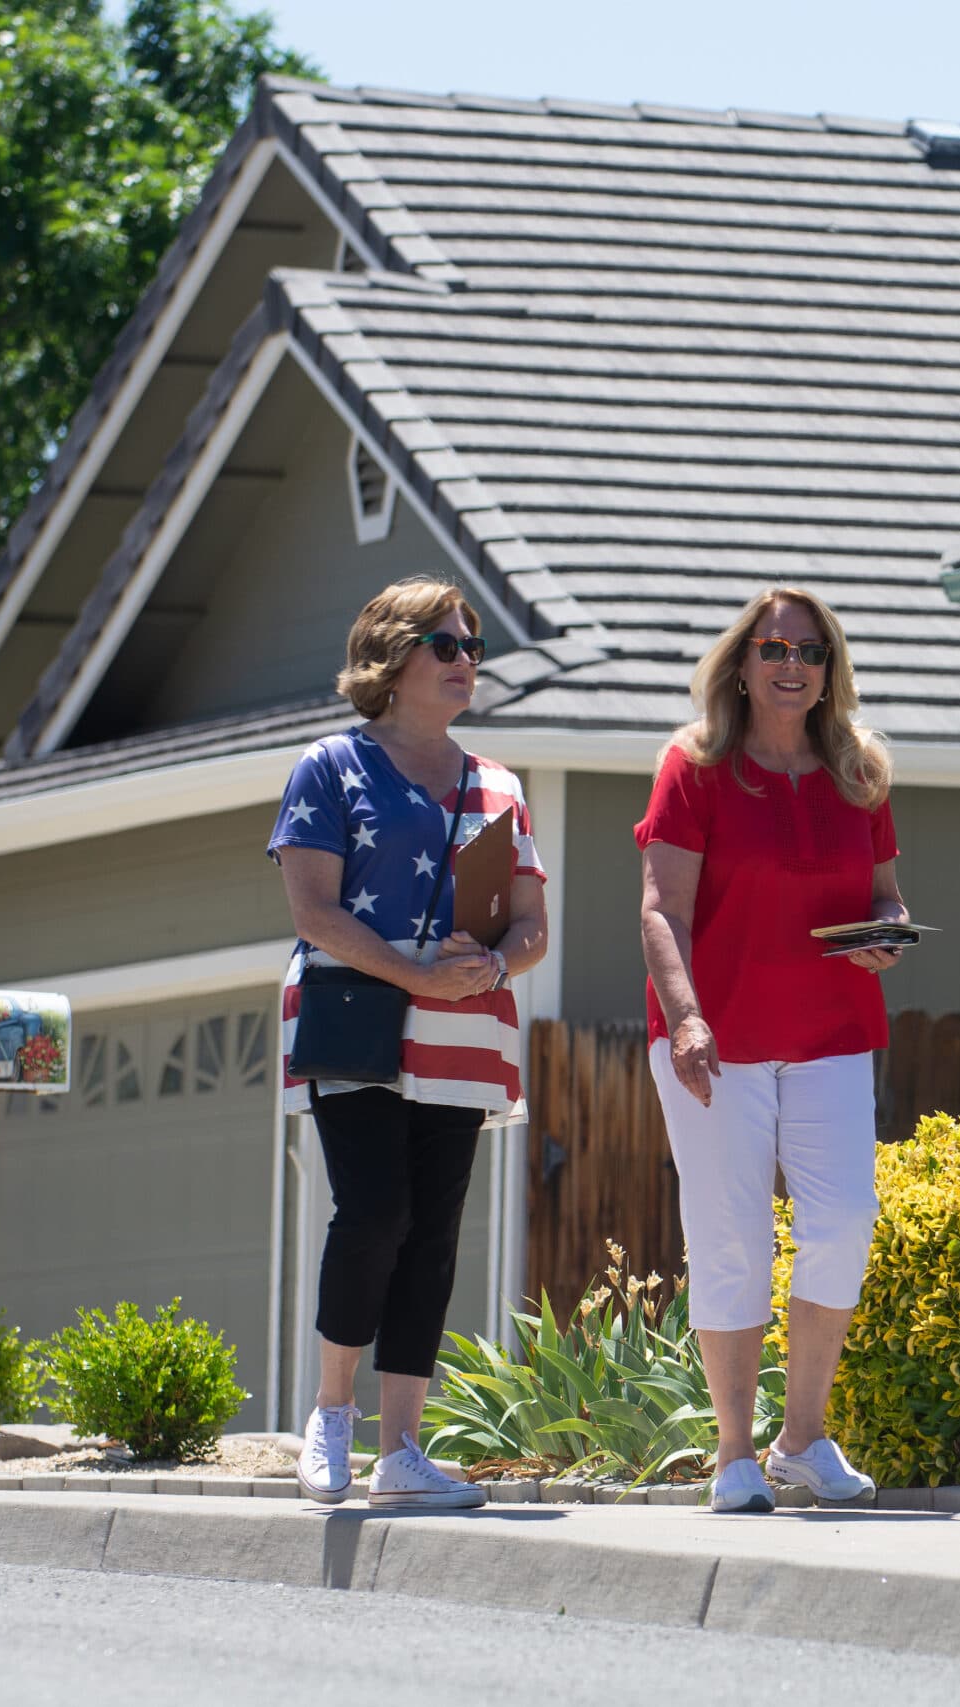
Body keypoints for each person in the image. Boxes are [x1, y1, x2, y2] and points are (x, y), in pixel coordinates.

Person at [269, 577, 549, 1509]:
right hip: (357, 1021)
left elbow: (533, 926)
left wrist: (495, 967)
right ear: (392, 658)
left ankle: (402, 1452)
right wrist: (416, 972)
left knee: (431, 1237)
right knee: (375, 1212)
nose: (466, 660)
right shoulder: (330, 766)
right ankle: (330, 1414)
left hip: (463, 1031)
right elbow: (312, 910)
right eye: (445, 643)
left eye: (473, 646)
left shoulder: (500, 786)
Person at [637, 586, 906, 1514]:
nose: (793, 664)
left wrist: (890, 930)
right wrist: (686, 1017)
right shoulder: (694, 766)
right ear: (742, 666)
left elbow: (886, 894)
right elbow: (661, 909)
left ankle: (803, 1440)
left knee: (843, 1224)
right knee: (732, 1242)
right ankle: (735, 1456)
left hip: (831, 1030)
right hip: (719, 1041)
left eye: (812, 650)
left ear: (831, 670)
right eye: (774, 648)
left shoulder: (859, 769)